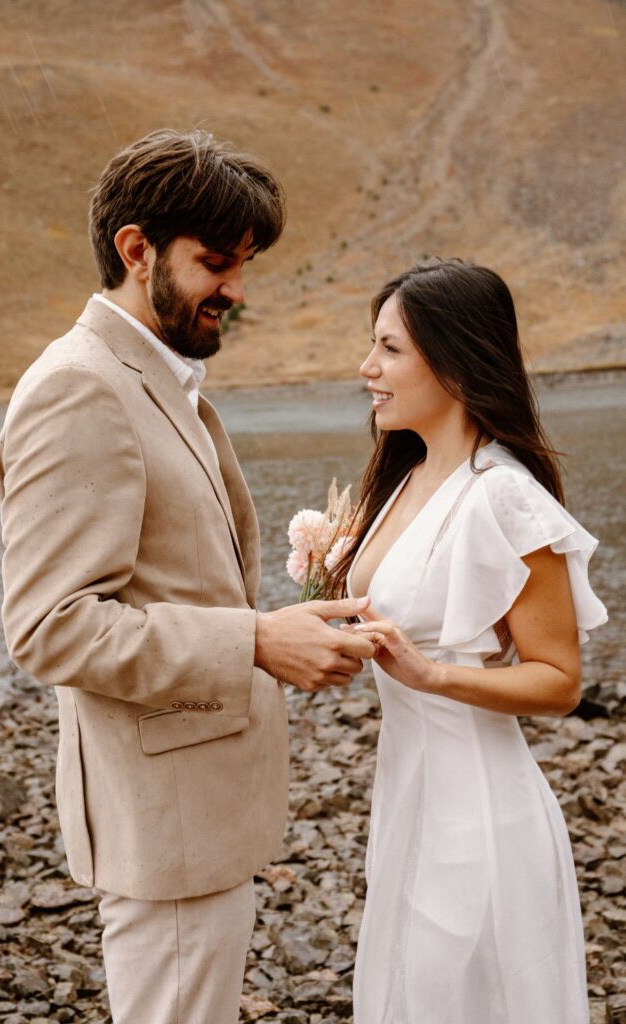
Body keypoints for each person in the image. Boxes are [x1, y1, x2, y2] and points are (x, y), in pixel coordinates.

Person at [0, 128, 374, 1024]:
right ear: (136, 250)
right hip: (162, 828)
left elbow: (166, 587)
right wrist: (254, 639)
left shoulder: (158, 379)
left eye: (244, 266)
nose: (236, 292)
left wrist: (288, 622)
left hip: (196, 815)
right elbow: (50, 625)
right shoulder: (79, 387)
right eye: (215, 263)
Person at [326, 258, 607, 1024]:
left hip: (478, 811)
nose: (367, 368)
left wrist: (430, 674)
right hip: (405, 793)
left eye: (388, 348)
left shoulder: (504, 495)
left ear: (450, 359)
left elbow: (557, 679)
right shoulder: (405, 477)